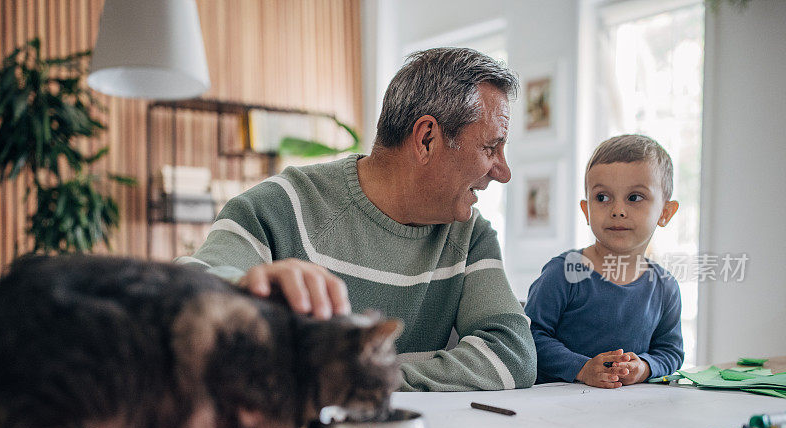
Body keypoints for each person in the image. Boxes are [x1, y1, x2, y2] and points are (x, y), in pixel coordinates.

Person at [176, 47, 536, 392]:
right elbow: (188, 295)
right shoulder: (276, 207)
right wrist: (242, 290)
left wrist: (363, 377)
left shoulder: (471, 235)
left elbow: (512, 355)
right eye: (490, 148)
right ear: (426, 139)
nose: (503, 172)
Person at [525, 134, 684, 388]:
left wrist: (644, 367)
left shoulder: (665, 287)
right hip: (558, 407)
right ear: (587, 211)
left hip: (628, 412)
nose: (617, 210)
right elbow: (529, 337)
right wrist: (582, 368)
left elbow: (670, 352)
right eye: (602, 197)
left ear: (665, 213)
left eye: (634, 197)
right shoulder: (564, 272)